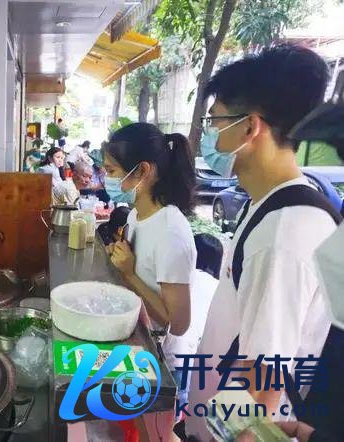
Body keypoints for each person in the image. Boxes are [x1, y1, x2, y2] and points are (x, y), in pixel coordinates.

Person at [185, 45, 336, 441]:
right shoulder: (272, 204)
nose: (209, 136)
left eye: (215, 121)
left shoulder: (283, 233)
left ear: (250, 128)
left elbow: (264, 381)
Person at [104, 123, 197, 434]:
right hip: (140, 346)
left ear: (142, 171)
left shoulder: (171, 231)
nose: (106, 179)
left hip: (163, 366)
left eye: (111, 170)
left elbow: (178, 323)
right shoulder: (136, 214)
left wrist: (129, 273)